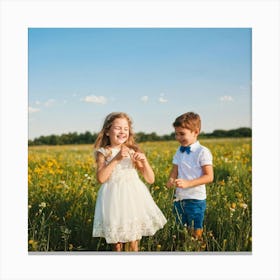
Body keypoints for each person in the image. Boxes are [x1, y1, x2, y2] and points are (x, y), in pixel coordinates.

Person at [92, 112, 167, 251]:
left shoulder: (133, 150)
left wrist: (144, 161)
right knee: (117, 241)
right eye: (118, 128)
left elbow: (150, 179)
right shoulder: (103, 152)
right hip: (112, 199)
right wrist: (117, 159)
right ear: (107, 131)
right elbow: (101, 178)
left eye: (126, 129)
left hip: (133, 197)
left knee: (133, 239)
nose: (122, 131)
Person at [166, 112, 213, 240]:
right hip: (179, 197)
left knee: (195, 228)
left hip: (195, 198)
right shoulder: (179, 151)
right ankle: (185, 248)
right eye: (176, 133)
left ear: (195, 132)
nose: (178, 137)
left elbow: (209, 177)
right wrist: (171, 179)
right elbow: (175, 170)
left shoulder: (202, 152)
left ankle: (197, 247)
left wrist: (188, 183)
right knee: (181, 227)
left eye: (182, 134)